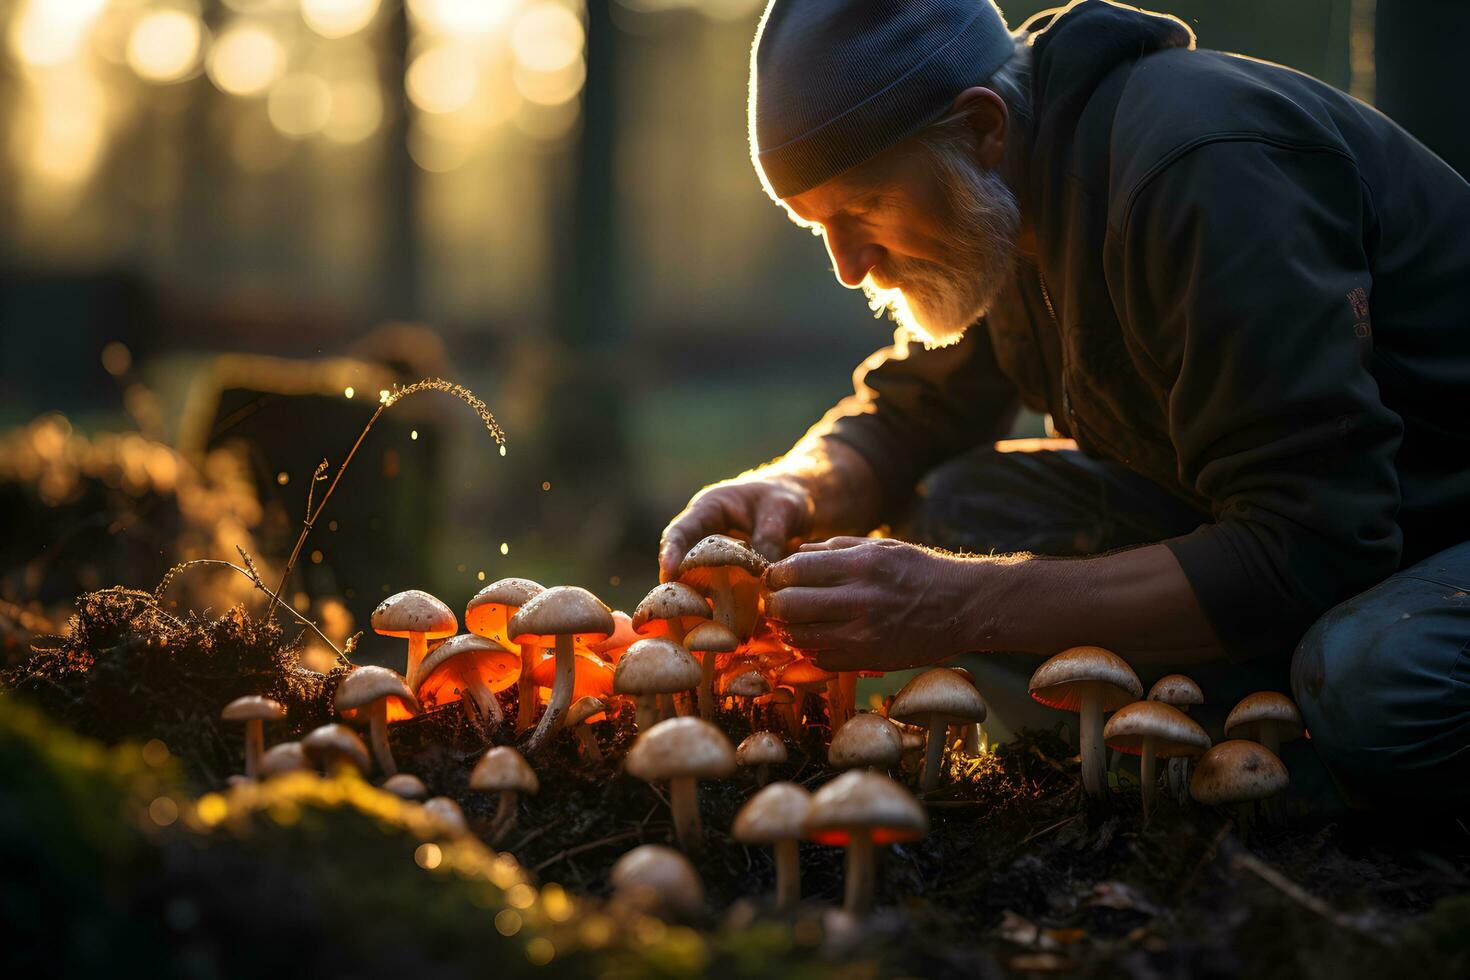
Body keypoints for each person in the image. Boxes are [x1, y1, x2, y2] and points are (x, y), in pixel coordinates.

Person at [658, 0, 1470, 808]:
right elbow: (917, 414)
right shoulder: (997, 197)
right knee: (962, 513)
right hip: (1340, 547)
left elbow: (1314, 545)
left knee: (1375, 685)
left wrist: (962, 604)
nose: (847, 265)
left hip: (1431, 544)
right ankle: (1251, 756)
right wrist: (799, 485)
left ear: (980, 127)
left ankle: (1325, 798)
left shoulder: (1200, 174)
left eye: (862, 208)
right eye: (816, 228)